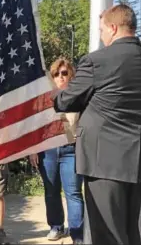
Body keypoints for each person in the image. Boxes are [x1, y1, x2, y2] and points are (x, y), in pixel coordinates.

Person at [52, 4, 141, 245]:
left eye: (102, 30)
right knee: (131, 231)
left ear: (113, 28)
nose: (101, 36)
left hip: (104, 163)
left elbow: (65, 101)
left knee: (108, 234)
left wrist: (48, 93)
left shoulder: (98, 61)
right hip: (135, 162)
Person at [29, 58, 84, 245]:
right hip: (48, 150)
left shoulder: (78, 96)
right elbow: (36, 126)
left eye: (64, 73)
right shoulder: (45, 98)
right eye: (56, 73)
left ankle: (77, 233)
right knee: (51, 191)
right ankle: (56, 226)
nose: (60, 77)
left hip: (71, 149)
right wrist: (33, 149)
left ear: (71, 75)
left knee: (73, 193)